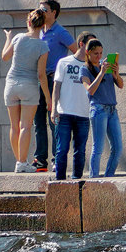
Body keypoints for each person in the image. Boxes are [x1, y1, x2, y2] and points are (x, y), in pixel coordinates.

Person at [1, 10, 51, 173]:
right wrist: (49, 99)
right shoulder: (43, 45)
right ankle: (22, 162)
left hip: (11, 84)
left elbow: (5, 57)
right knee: (26, 127)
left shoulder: (18, 38)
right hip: (29, 85)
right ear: (43, 25)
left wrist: (8, 38)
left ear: (28, 23)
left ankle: (20, 162)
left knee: (14, 127)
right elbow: (41, 75)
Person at [32, 0, 76, 172]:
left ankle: (57, 159)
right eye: (39, 8)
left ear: (54, 13)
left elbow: (75, 52)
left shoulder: (61, 32)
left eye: (44, 9)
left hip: (53, 80)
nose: (41, 12)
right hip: (37, 80)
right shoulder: (37, 31)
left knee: (54, 120)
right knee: (38, 121)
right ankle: (40, 159)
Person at [50, 32, 99, 181]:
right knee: (62, 149)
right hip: (64, 112)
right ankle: (59, 182)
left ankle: (77, 181)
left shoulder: (93, 66)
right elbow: (56, 87)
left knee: (80, 151)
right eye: (90, 46)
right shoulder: (64, 62)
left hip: (84, 113)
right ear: (81, 44)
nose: (92, 50)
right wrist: (54, 109)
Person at [85, 39, 124, 178]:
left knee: (118, 148)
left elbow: (120, 85)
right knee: (98, 148)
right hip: (98, 109)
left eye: (101, 53)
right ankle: (93, 179)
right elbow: (90, 90)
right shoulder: (85, 69)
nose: (99, 56)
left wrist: (116, 74)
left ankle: (108, 177)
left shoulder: (105, 66)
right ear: (88, 53)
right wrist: (101, 73)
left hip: (112, 110)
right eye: (96, 53)